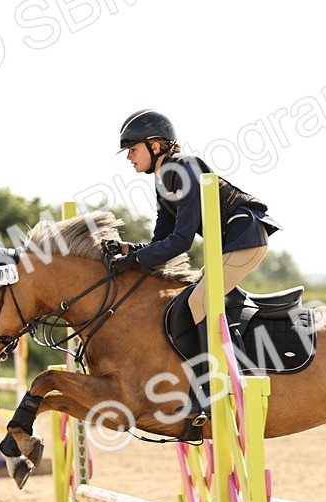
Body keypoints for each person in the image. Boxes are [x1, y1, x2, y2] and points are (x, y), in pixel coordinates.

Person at [106, 109, 280, 428]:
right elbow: (162, 240)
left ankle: (216, 389)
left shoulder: (183, 169)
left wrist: (135, 259)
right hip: (229, 244)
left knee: (198, 302)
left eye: (133, 149)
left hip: (246, 236)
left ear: (156, 145)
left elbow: (181, 242)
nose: (129, 157)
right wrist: (129, 250)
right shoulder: (164, 180)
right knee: (190, 301)